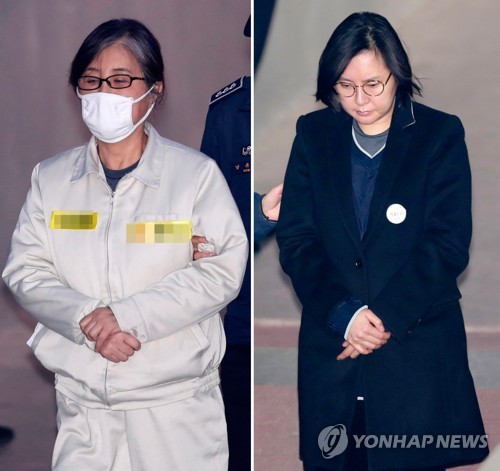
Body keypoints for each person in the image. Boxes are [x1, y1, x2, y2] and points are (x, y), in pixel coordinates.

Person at [2, 18, 247, 470]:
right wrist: (88, 321)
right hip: (84, 407)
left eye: (119, 80)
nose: (103, 94)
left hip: (174, 408)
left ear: (154, 90)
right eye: (91, 80)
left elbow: (221, 271)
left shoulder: (194, 177)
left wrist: (126, 317)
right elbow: (25, 271)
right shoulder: (51, 180)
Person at [276, 11, 488, 471]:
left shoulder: (439, 135)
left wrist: (378, 321)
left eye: (373, 84)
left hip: (414, 346)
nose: (360, 99)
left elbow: (447, 243)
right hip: (334, 345)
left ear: (397, 74)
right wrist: (345, 315)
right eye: (345, 86)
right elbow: (297, 240)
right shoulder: (313, 134)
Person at [199, 17, 251, 470]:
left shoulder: (343, 106)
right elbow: (205, 209)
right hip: (243, 307)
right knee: (238, 432)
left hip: (325, 297)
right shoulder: (228, 111)